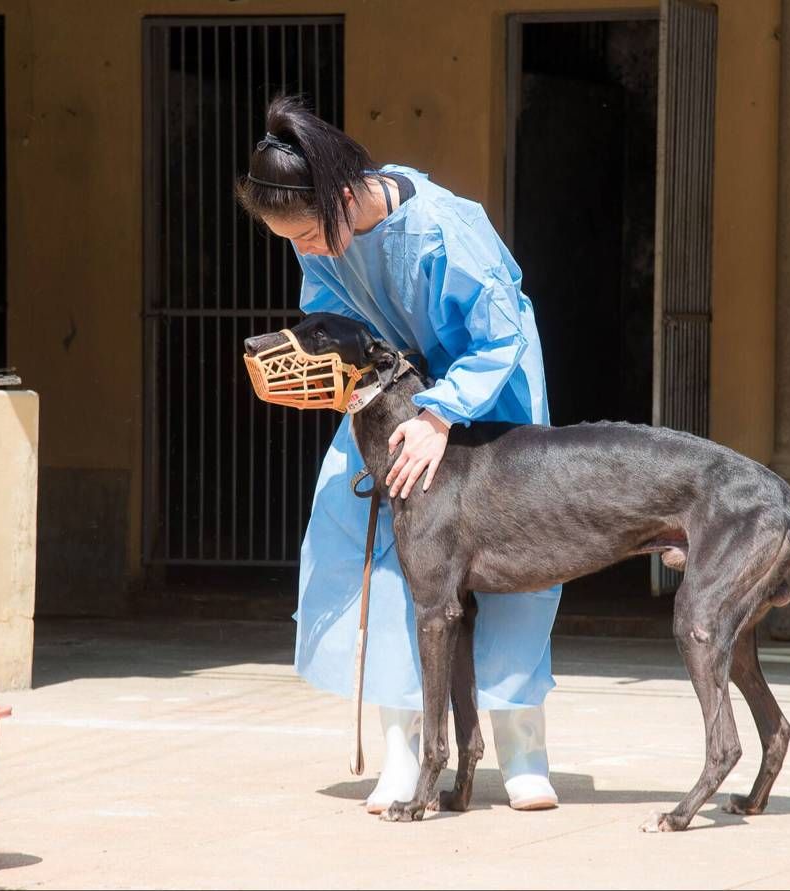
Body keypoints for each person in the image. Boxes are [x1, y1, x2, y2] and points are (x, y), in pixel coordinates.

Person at [236, 95, 561, 812]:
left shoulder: (445, 227)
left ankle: (521, 745)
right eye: (292, 239)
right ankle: (402, 747)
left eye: (313, 235)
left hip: (487, 395)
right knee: (364, 536)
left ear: (344, 194)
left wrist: (441, 414)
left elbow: (500, 336)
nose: (309, 249)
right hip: (386, 399)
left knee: (516, 557)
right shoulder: (314, 227)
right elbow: (332, 314)